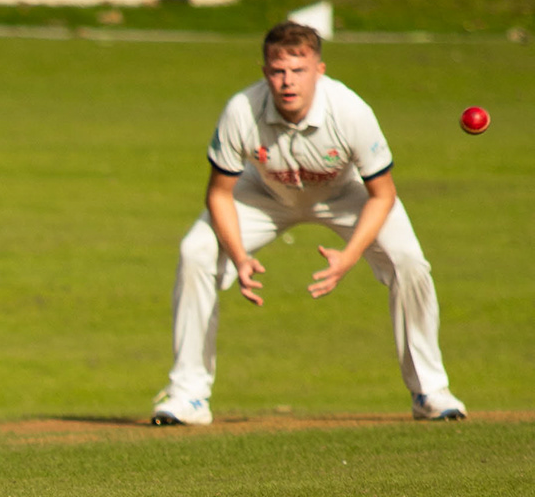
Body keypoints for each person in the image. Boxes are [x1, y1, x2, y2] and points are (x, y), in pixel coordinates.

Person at [152, 22, 467, 426]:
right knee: (195, 251)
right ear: (265, 72)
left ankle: (430, 391)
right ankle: (189, 395)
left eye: (298, 70)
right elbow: (218, 194)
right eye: (278, 71)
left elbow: (382, 195)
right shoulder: (242, 110)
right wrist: (239, 256)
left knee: (408, 261)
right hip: (264, 192)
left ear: (319, 70)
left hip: (344, 194)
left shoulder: (350, 112)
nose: (288, 81)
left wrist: (349, 256)